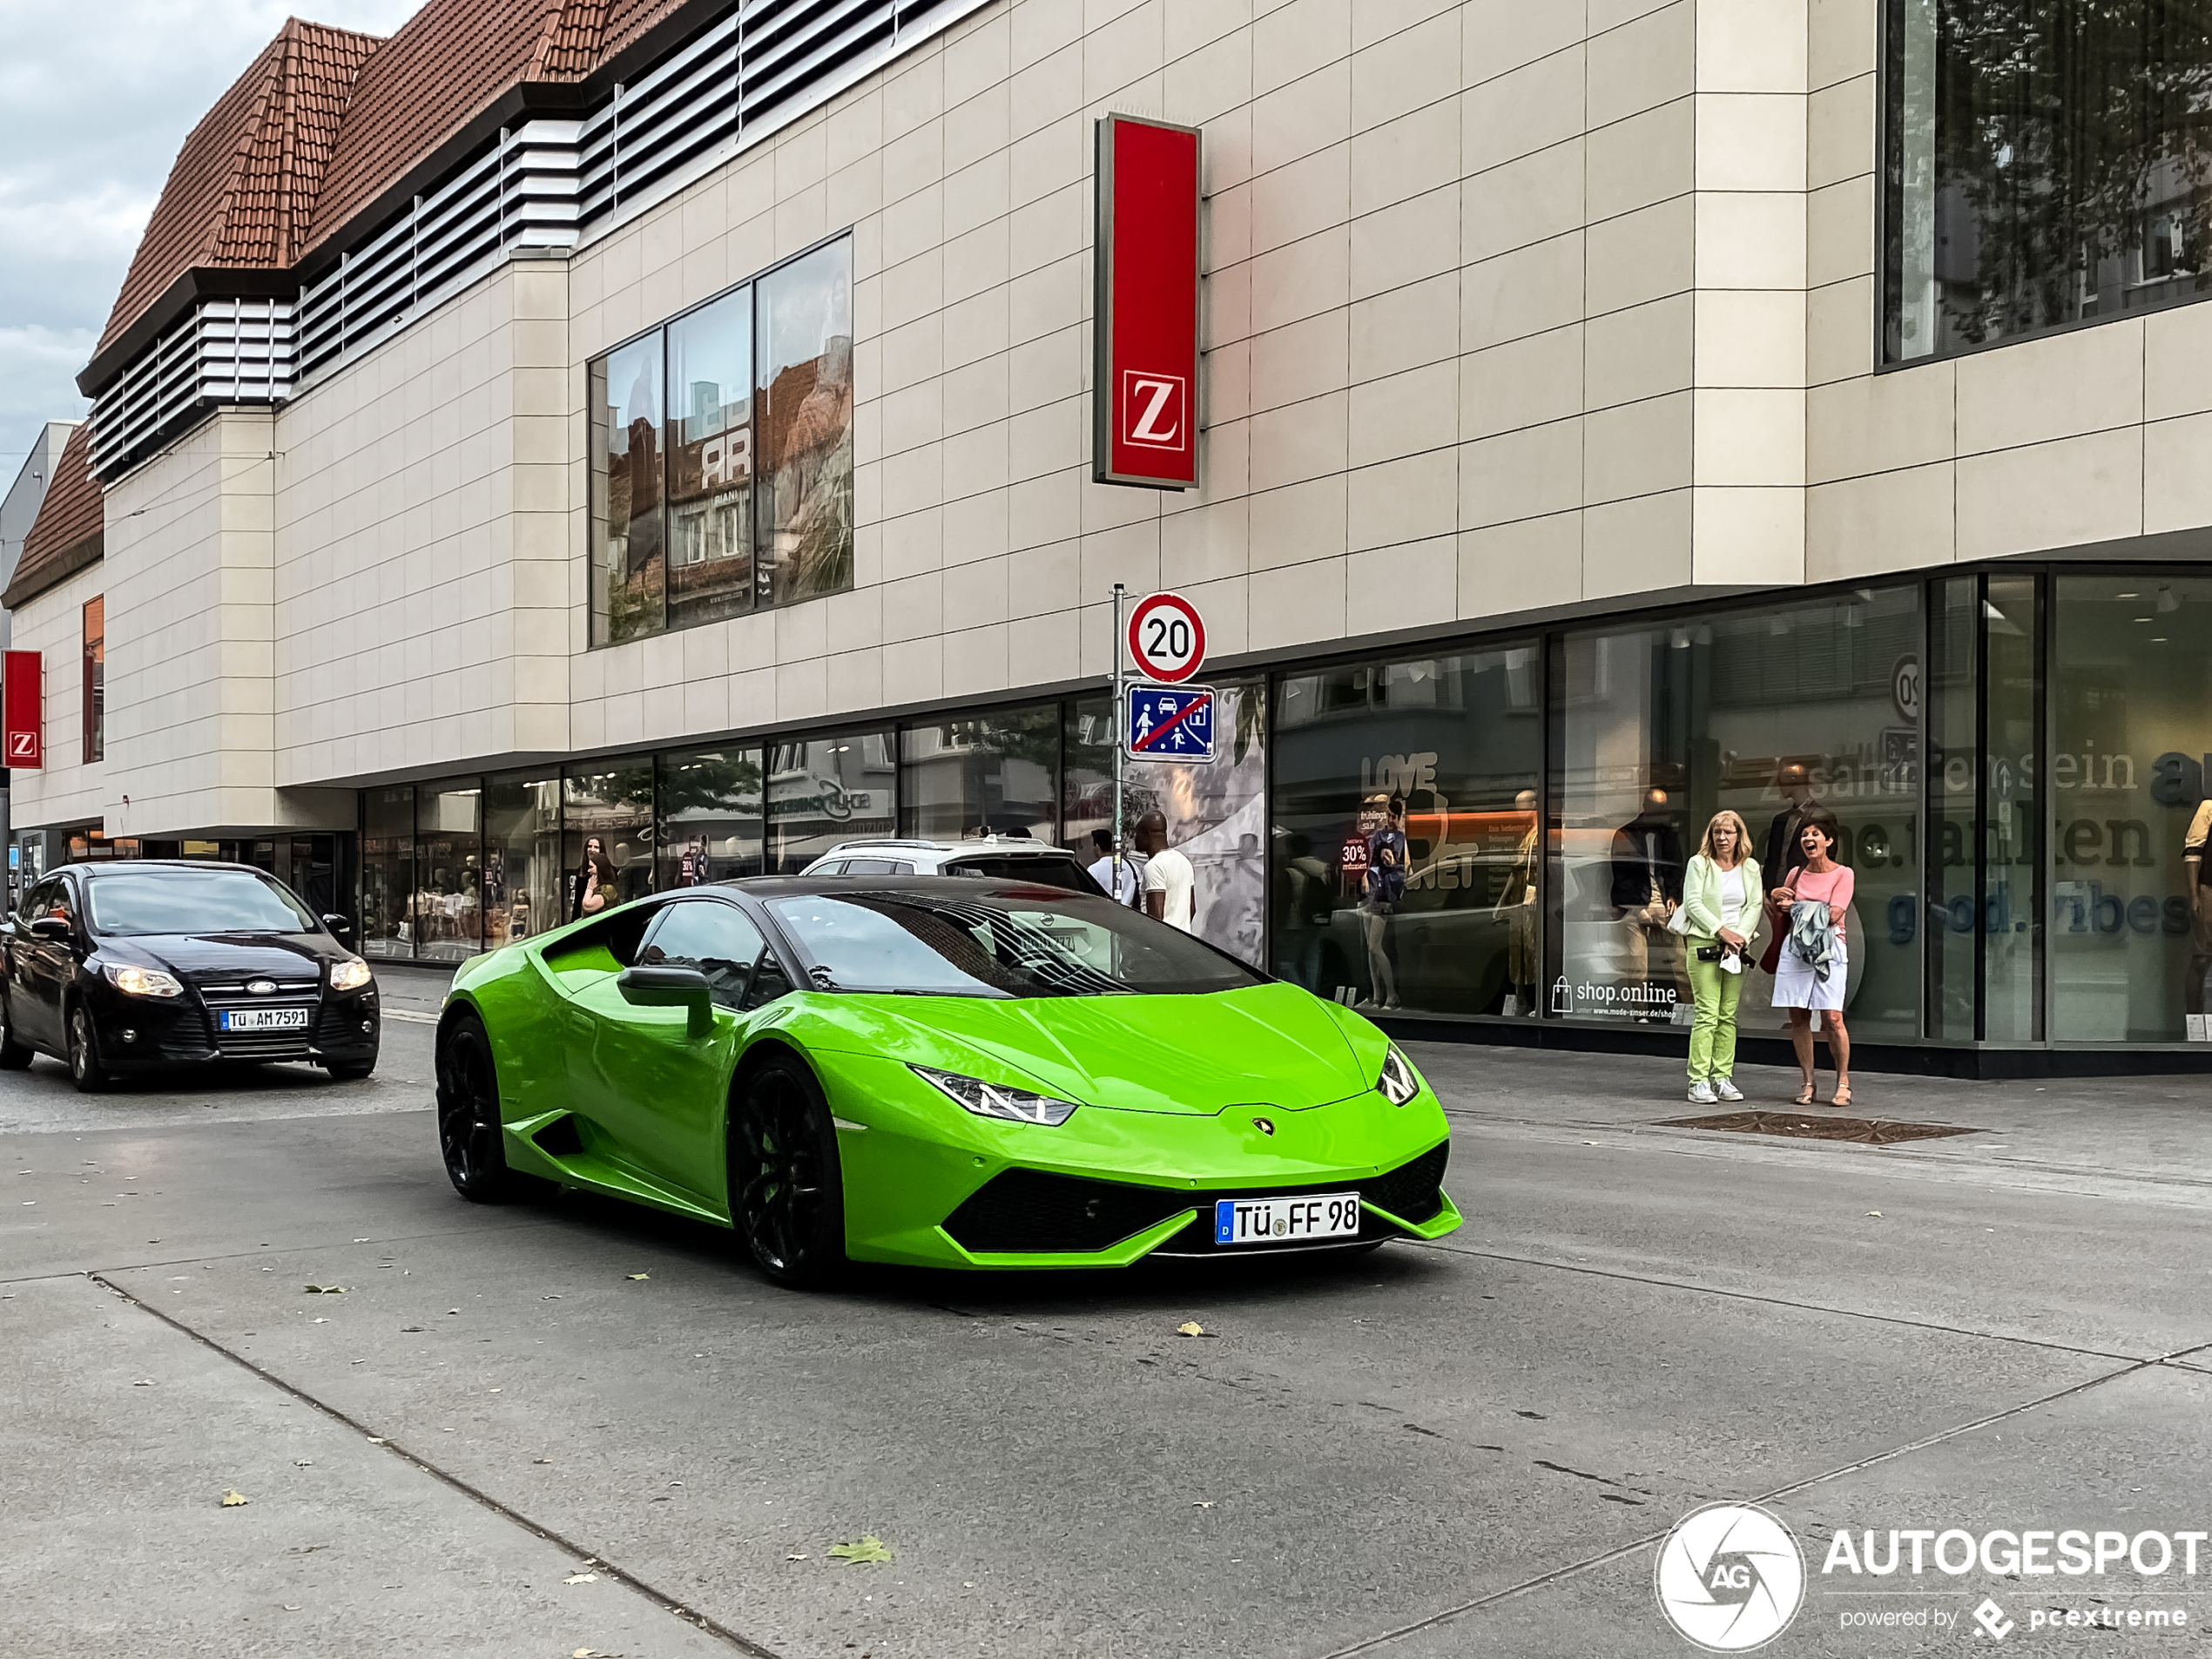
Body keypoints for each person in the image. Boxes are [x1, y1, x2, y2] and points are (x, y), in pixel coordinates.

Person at [1771, 807, 1855, 1107]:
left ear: (1828, 840)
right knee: (1798, 1016)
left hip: (1829, 949)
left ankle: (1843, 1081)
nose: (1808, 838)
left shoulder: (1844, 874)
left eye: (1814, 834)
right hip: (1796, 949)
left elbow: (1834, 914)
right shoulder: (1795, 874)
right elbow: (1781, 906)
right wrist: (1776, 898)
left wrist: (1795, 907)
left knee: (1832, 1017)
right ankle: (1808, 1081)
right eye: (1805, 834)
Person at [1679, 811, 1762, 1104]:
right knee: (1707, 1014)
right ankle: (1698, 1080)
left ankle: (1722, 1077)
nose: (1723, 838)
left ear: (1740, 835)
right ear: (1710, 835)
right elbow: (1693, 903)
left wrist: (1738, 937)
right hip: (1705, 944)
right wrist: (1722, 932)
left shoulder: (1750, 868)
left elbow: (1754, 906)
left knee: (1728, 1015)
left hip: (1737, 948)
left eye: (1729, 832)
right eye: (1718, 832)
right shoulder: (1699, 864)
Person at [1610, 786, 1685, 1019]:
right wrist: (1636, 907)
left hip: (1663, 903)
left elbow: (1676, 870)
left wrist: (1673, 897)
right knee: (1637, 964)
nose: (1660, 814)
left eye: (1663, 809)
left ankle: (1691, 1010)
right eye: (1656, 809)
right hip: (1635, 905)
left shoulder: (1668, 834)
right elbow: (1621, 875)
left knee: (1682, 961)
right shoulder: (1626, 834)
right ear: (1645, 807)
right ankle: (1640, 1014)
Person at [1494, 788, 1541, 1016]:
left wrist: (1538, 893)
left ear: (1532, 805)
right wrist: (1502, 901)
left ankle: (1539, 1002)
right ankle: (1521, 1001)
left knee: (1533, 950)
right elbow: (1515, 871)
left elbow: (1543, 869)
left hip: (1531, 901)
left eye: (1520, 805)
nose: (1517, 810)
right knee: (1518, 950)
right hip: (1518, 902)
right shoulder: (1527, 835)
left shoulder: (1541, 834)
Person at [1359, 792, 1408, 1010]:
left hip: (1385, 896)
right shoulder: (1377, 837)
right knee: (1371, 949)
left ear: (1398, 818)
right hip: (1372, 894)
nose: (1390, 820)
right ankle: (1377, 996)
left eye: (1394, 816)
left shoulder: (1400, 839)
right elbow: (1369, 862)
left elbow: (1403, 866)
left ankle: (1391, 995)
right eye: (1388, 815)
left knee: (1375, 946)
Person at [1135, 812, 1196, 932]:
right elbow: (1192, 909)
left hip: (1162, 944)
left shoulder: (1154, 866)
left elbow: (1155, 919)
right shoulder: (1184, 861)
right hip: (1184, 940)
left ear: (1147, 833)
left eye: (1136, 833)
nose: (1134, 838)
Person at [1760, 762, 1816, 887]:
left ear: (1792, 781)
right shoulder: (1780, 820)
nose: (1779, 787)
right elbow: (1772, 860)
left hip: (1805, 891)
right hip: (1776, 893)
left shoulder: (1820, 817)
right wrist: (1766, 889)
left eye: (1781, 781)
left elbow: (1824, 862)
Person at [2186, 797, 2212, 1023]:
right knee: (2202, 957)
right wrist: (2195, 894)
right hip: (2209, 889)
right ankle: (2194, 1022)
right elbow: (2193, 851)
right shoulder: (2209, 808)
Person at [1087, 827, 1143, 907]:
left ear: (1097, 846)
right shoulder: (1132, 867)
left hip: (1104, 914)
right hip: (1129, 914)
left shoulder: (1093, 870)